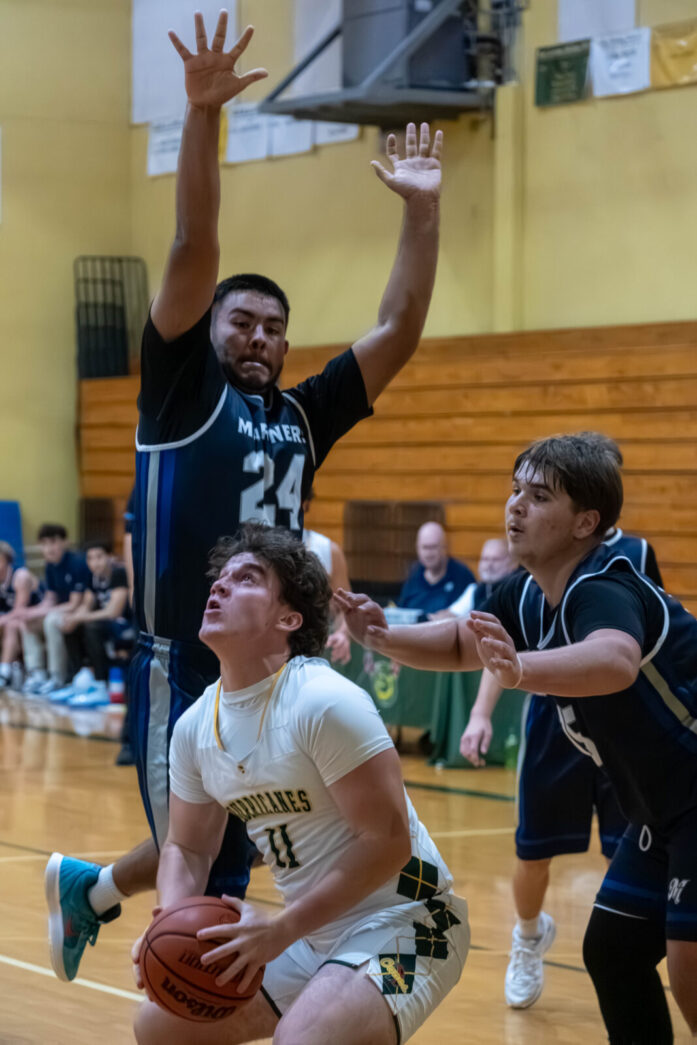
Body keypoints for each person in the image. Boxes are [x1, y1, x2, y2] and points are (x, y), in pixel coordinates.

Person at [45, 10, 445, 983]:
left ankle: (93, 894)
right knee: (211, 863)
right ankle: (170, 975)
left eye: (275, 326)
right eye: (242, 319)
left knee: (237, 844)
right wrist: (200, 115)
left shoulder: (303, 419)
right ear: (209, 327)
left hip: (269, 665)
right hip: (179, 657)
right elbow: (191, 240)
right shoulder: (181, 392)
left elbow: (395, 327)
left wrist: (421, 208)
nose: (260, 337)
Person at [336, 432, 697, 1042]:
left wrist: (521, 669)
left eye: (538, 496)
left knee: (689, 967)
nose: (515, 506)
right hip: (663, 811)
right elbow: (460, 639)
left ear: (586, 522)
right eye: (514, 490)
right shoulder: (529, 593)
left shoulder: (602, 585)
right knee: (613, 949)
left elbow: (614, 661)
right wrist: (382, 638)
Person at [132, 522, 468, 1045]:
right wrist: (168, 926)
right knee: (161, 1025)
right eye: (219, 578)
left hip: (412, 921)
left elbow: (389, 842)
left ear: (289, 618)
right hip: (312, 932)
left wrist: (282, 928)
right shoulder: (195, 726)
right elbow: (188, 846)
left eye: (246, 579)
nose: (219, 586)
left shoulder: (322, 700)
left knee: (303, 1039)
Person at [461, 523, 662, 1009]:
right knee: (533, 851)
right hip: (555, 720)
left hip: (621, 722)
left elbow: (649, 636)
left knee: (628, 848)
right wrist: (480, 713)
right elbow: (499, 648)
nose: (522, 505)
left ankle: (631, 947)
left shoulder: (634, 553)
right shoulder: (538, 566)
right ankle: (529, 936)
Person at [58, 540, 133, 706]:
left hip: (126, 627)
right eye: (90, 558)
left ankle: (101, 685)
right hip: (108, 625)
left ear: (110, 557)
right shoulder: (93, 578)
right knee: (71, 627)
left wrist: (79, 618)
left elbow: (114, 612)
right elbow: (86, 605)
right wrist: (72, 619)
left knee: (91, 627)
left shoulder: (119, 573)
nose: (95, 562)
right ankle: (74, 680)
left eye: (99, 556)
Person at [19, 524, 92, 695]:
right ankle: (37, 673)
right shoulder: (50, 566)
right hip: (62, 609)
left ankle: (57, 677)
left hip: (80, 611)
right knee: (27, 621)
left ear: (64, 543)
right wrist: (32, 612)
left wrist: (45, 612)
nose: (49, 548)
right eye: (44, 544)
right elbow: (50, 599)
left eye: (53, 542)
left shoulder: (76, 563)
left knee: (51, 621)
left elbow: (75, 603)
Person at [302, 487, 351, 665]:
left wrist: (342, 634)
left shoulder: (329, 550)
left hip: (315, 653)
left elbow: (346, 610)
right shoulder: (258, 548)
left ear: (306, 503)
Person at [398, 521, 475, 619]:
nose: (429, 553)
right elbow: (401, 611)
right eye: (425, 547)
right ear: (417, 548)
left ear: (445, 547)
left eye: (433, 547)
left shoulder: (462, 576)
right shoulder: (414, 574)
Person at [430, 536, 515, 620]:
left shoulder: (515, 590)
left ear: (511, 563)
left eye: (495, 559)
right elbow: (451, 614)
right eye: (485, 559)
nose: (489, 565)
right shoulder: (475, 590)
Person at [0, 541, 41, 686]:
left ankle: (4, 672)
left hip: (35, 618)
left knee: (12, 624)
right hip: (16, 622)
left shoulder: (20, 576)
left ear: (7, 560)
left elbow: (19, 611)